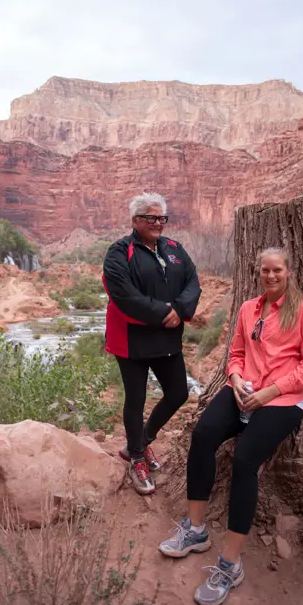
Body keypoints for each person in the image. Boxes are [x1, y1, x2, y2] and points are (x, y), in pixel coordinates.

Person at [159, 247, 303, 605]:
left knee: (246, 460)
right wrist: (235, 380)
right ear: (258, 272)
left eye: (277, 270)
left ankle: (230, 564)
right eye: (265, 270)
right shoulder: (250, 309)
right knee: (203, 434)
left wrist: (268, 392)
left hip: (282, 398)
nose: (270, 276)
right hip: (243, 390)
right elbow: (234, 354)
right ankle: (195, 531)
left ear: (289, 272)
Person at [103, 192, 201, 496]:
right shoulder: (119, 252)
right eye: (151, 217)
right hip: (131, 340)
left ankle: (141, 441)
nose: (158, 223)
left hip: (167, 337)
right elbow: (123, 295)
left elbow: (192, 282)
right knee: (135, 398)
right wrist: (165, 313)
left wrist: (181, 310)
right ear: (136, 221)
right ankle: (136, 457)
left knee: (179, 393)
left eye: (161, 218)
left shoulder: (174, 248)